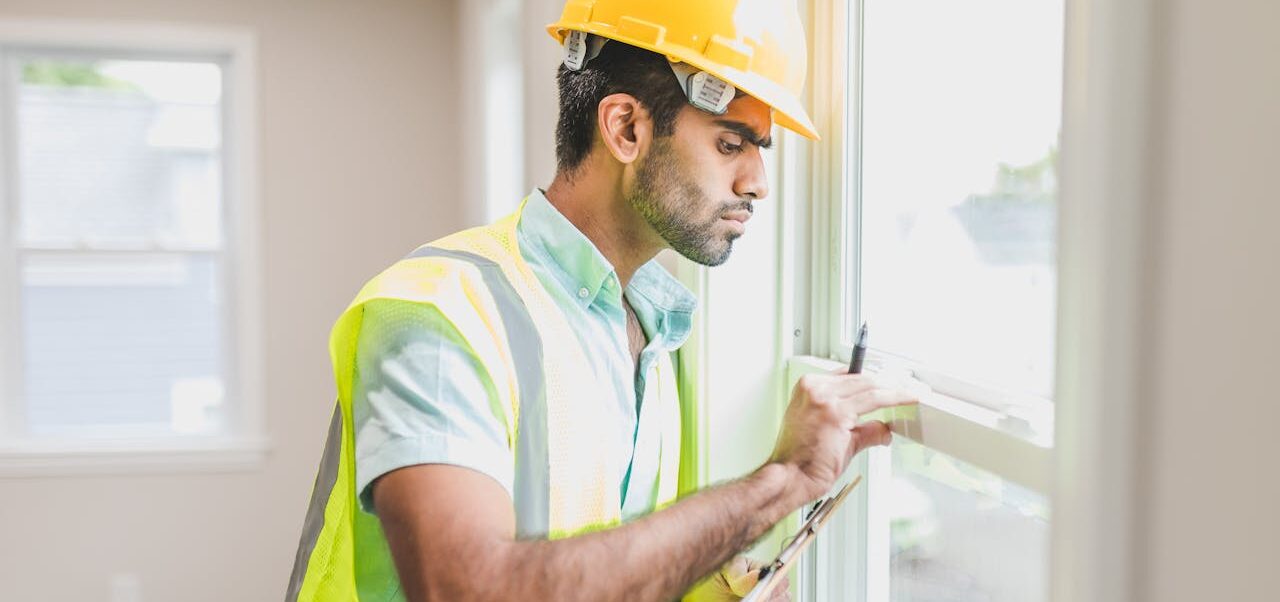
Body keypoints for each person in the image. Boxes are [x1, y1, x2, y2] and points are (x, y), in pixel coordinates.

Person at [286, 1, 918, 600]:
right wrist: (779, 484)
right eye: (731, 144)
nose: (757, 183)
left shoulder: (655, 333)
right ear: (626, 128)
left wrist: (704, 590)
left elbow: (590, 567)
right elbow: (466, 589)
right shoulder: (436, 315)